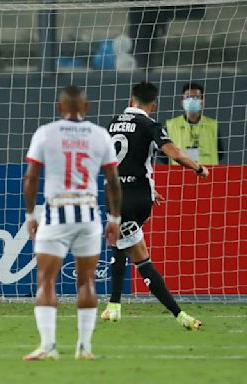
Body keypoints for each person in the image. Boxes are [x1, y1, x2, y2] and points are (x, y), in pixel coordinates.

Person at [23, 85, 122, 361]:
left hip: (56, 212)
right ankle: (84, 347)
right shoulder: (100, 135)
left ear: (60, 107)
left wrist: (31, 215)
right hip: (89, 213)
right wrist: (114, 218)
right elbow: (113, 181)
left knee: (46, 279)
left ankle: (48, 346)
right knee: (87, 280)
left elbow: (31, 177)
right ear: (87, 107)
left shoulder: (46, 133)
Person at [100, 81, 209, 329]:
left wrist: (195, 168)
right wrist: (197, 167)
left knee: (134, 255)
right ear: (153, 105)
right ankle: (116, 307)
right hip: (139, 198)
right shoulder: (149, 124)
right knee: (130, 250)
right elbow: (173, 152)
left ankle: (173, 315)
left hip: (116, 196)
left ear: (131, 101)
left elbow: (115, 161)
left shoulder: (112, 124)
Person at [165, 82, 222, 165]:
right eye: (188, 97)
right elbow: (164, 155)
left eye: (196, 97)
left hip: (208, 173)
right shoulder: (171, 125)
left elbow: (220, 153)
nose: (191, 100)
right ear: (182, 102)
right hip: (179, 174)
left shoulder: (212, 125)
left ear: (202, 101)